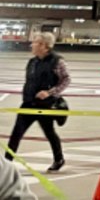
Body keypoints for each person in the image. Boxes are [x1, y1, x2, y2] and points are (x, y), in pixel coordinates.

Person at [5, 32, 70, 173]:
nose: (31, 44)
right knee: (16, 134)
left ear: (44, 46)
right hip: (28, 103)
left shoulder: (57, 61)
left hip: (45, 106)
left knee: (49, 133)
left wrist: (50, 92)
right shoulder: (32, 62)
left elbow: (66, 80)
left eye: (35, 42)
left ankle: (59, 159)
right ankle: (6, 163)